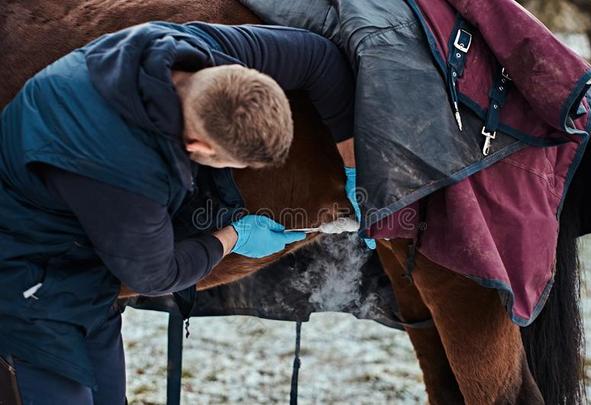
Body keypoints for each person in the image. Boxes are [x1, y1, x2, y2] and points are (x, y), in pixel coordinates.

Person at [0, 21, 371, 404]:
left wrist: (355, 169)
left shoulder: (194, 51)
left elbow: (319, 58)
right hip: (27, 286)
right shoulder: (125, 171)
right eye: (232, 163)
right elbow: (157, 274)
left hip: (86, 276)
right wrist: (236, 237)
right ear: (198, 147)